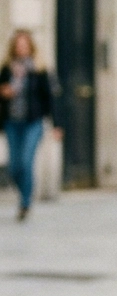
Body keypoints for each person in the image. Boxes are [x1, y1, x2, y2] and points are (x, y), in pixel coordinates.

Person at [0, 30, 62, 220]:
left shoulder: (40, 69)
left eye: (25, 45)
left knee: (26, 162)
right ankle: (24, 194)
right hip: (11, 122)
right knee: (13, 167)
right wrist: (5, 92)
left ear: (30, 47)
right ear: (14, 48)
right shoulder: (6, 69)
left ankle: (25, 202)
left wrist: (57, 124)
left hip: (33, 123)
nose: (21, 48)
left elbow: (50, 97)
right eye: (18, 45)